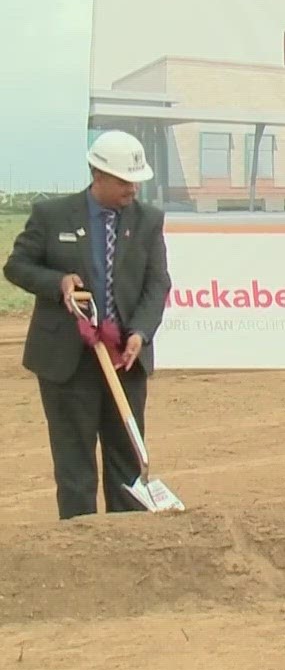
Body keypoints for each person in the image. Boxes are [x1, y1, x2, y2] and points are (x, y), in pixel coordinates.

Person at [4, 131, 171, 520]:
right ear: (97, 175)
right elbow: (17, 266)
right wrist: (57, 282)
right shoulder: (52, 215)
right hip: (67, 361)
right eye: (123, 180)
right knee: (75, 465)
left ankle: (128, 544)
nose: (133, 188)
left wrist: (140, 333)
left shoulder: (148, 221)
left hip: (124, 361)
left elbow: (157, 282)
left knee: (126, 463)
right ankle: (80, 548)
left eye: (136, 180)